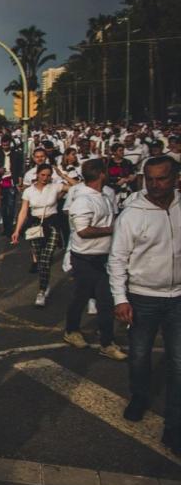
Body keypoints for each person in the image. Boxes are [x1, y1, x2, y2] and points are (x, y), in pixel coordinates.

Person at [109, 156, 181, 455]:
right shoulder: (132, 214)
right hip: (142, 297)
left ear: (175, 178)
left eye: (161, 178)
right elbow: (117, 259)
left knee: (178, 364)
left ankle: (174, 427)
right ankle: (139, 397)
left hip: (178, 298)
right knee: (139, 355)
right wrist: (120, 298)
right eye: (149, 178)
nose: (155, 184)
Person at [63, 159, 127, 360]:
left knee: (105, 301)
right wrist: (112, 229)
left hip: (103, 258)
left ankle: (107, 343)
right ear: (101, 174)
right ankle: (71, 331)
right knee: (81, 297)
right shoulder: (83, 200)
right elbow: (82, 231)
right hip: (84, 259)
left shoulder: (105, 196)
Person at [11, 165, 70, 307]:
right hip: (35, 226)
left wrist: (62, 175)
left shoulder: (55, 187)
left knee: (46, 257)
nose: (45, 178)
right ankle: (45, 282)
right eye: (42, 175)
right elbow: (24, 211)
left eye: (48, 175)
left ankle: (41, 291)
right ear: (37, 174)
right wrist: (17, 230)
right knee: (40, 260)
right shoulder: (29, 191)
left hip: (52, 224)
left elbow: (78, 186)